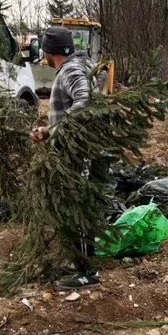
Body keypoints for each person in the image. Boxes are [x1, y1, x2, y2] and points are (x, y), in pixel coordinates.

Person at [29, 26, 104, 290]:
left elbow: (83, 101)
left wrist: (51, 130)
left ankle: (87, 272)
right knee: (77, 204)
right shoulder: (83, 64)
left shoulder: (71, 69)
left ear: (49, 52)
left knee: (78, 205)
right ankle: (80, 263)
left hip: (77, 150)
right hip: (79, 147)